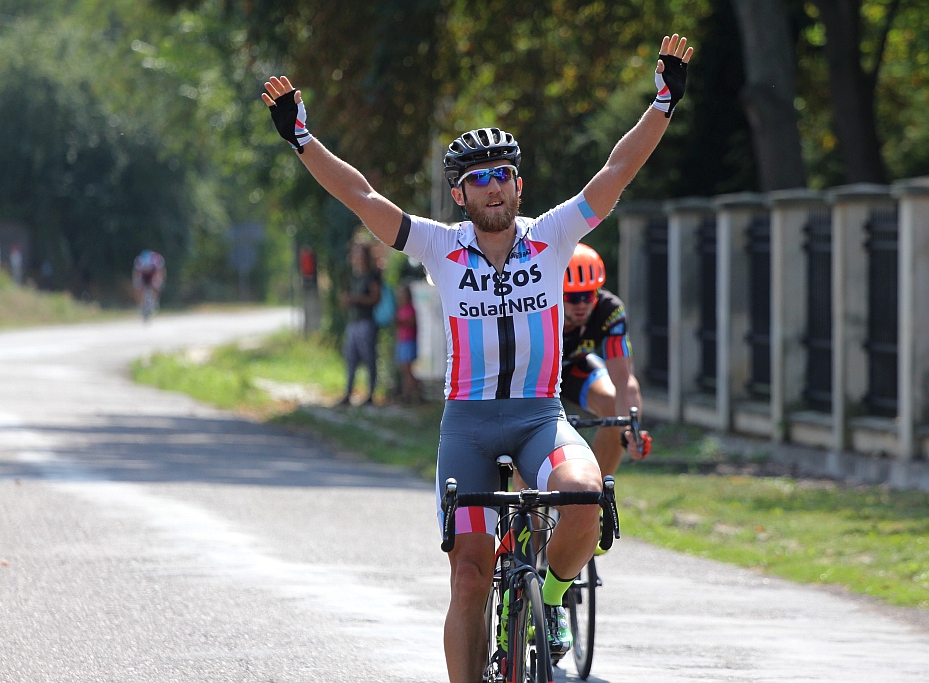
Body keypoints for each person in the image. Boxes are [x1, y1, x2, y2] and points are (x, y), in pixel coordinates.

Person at [261, 33, 692, 683]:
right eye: (478, 179)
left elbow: (615, 171)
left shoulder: (552, 237)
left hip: (539, 416)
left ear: (519, 185)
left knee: (584, 495)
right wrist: (301, 139)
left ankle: (549, 598)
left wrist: (662, 102)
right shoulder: (440, 246)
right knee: (470, 573)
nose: (494, 187)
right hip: (468, 423)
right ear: (460, 195)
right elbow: (361, 196)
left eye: (503, 175)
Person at [562, 243, 652, 478]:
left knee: (614, 407)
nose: (581, 305)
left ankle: (593, 496)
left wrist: (629, 433)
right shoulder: (536, 309)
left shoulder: (609, 310)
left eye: (588, 295)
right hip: (533, 375)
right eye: (572, 297)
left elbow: (624, 380)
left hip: (574, 368)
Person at [338, 242, 381, 406]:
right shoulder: (354, 276)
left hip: (366, 322)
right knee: (351, 359)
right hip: (353, 322)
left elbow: (376, 298)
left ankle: (371, 394)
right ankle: (348, 393)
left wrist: (356, 299)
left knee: (369, 359)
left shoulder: (371, 276)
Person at [394, 283, 421, 404]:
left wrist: (401, 322)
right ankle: (409, 394)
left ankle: (413, 394)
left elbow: (411, 323)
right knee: (405, 370)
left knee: (408, 369)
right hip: (402, 341)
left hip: (409, 341)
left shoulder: (411, 309)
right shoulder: (400, 309)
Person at [132, 250, 166, 317]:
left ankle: (156, 301)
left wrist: (159, 281)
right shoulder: (139, 261)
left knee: (157, 285)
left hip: (153, 275)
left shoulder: (157, 260)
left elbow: (160, 272)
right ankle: (140, 305)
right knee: (137, 287)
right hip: (143, 276)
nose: (147, 269)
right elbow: (136, 273)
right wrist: (136, 281)